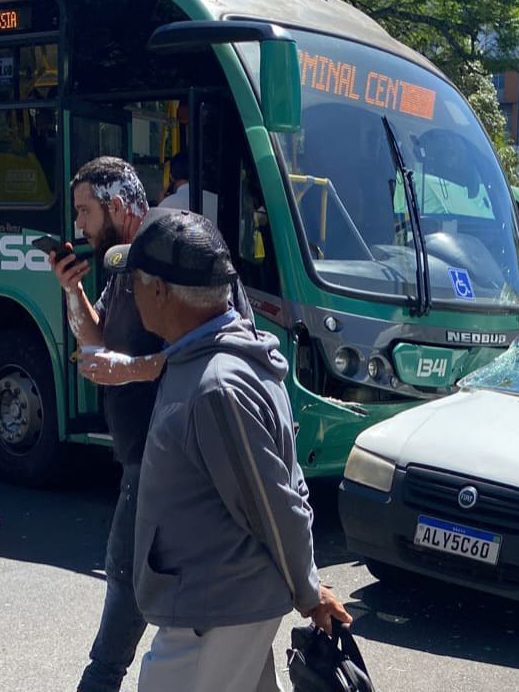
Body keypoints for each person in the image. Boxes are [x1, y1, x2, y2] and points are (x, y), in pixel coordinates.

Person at [101, 209, 351, 691]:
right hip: (218, 602)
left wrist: (308, 590)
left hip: (213, 611)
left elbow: (275, 502)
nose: (129, 297)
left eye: (133, 283)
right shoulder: (204, 360)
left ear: (160, 290)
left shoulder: (218, 384)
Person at [48, 156, 165, 692]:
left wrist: (132, 368)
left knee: (127, 606)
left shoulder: (173, 253)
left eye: (85, 212)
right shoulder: (120, 263)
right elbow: (95, 340)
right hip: (139, 461)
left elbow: (213, 349)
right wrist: (71, 292)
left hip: (170, 463)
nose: (78, 227)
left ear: (116, 206)